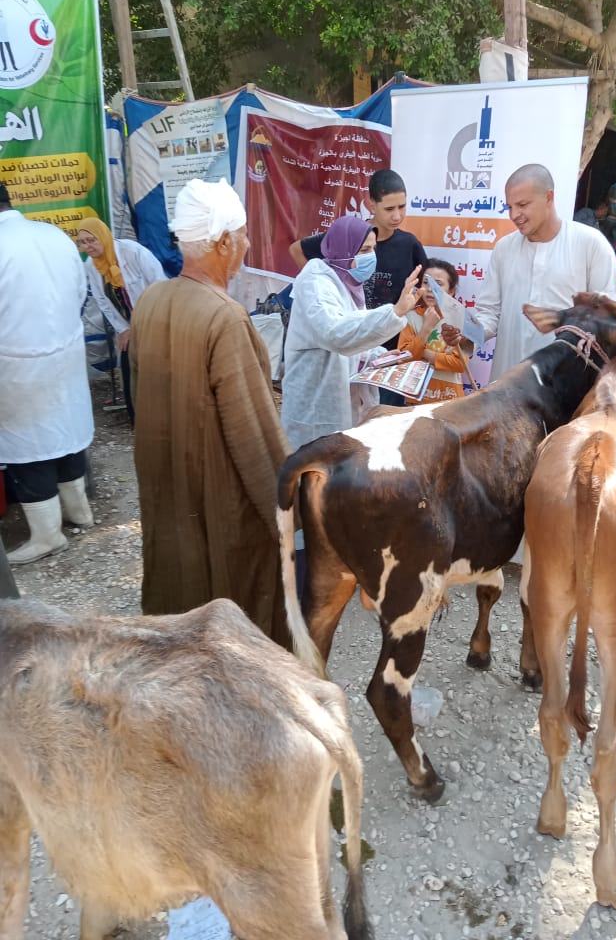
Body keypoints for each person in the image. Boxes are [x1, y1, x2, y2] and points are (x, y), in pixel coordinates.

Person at [130, 178, 291, 646]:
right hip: (220, 501)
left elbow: (143, 400)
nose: (246, 245)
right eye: (241, 236)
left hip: (166, 486)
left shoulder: (151, 301)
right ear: (222, 242)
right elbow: (255, 437)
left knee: (175, 595)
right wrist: (288, 513)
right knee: (232, 611)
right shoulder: (225, 317)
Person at [0, 181, 94, 565]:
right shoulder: (52, 234)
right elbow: (79, 291)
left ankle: (47, 535)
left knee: (29, 447)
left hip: (17, 364)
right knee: (66, 431)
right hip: (66, 352)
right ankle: (79, 512)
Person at [470, 163, 616, 380]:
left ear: (549, 197)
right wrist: (467, 335)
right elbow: (489, 312)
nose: (514, 215)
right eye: (509, 207)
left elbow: (605, 318)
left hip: (565, 383)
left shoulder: (591, 244)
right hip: (507, 382)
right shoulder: (504, 248)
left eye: (522, 204)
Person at [281, 215, 421, 451]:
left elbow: (353, 327)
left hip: (340, 400)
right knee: (312, 474)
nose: (371, 257)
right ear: (342, 248)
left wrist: (380, 356)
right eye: (364, 249)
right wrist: (395, 312)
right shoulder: (316, 282)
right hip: (314, 407)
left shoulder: (346, 281)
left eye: (373, 249)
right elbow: (336, 333)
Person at [77, 218, 166, 425]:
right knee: (128, 368)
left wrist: (150, 323)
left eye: (92, 240)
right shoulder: (92, 265)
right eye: (82, 242)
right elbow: (102, 300)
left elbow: (160, 285)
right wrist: (123, 328)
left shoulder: (133, 252)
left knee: (157, 370)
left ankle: (163, 418)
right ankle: (139, 421)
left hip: (155, 319)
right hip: (128, 325)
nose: (87, 246)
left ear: (104, 237)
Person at [398, 258, 465, 404]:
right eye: (426, 283)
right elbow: (403, 358)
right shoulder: (410, 316)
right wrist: (426, 329)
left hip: (449, 400)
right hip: (415, 398)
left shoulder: (462, 320)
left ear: (452, 291)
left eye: (438, 284)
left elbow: (460, 364)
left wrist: (424, 353)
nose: (430, 289)